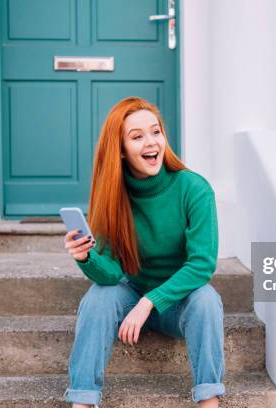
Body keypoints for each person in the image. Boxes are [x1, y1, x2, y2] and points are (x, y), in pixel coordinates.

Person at [62, 97, 225, 408]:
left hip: (179, 302)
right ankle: (83, 401)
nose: (152, 143)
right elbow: (110, 274)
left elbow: (202, 265)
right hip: (131, 294)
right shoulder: (112, 195)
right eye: (137, 137)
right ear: (120, 149)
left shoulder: (194, 188)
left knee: (207, 300)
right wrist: (86, 258)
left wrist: (150, 303)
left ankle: (209, 399)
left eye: (156, 132)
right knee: (98, 297)